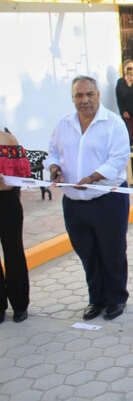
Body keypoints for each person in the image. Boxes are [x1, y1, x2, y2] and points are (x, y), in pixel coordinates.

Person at [45, 76, 131, 321]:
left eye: (89, 94)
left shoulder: (113, 123)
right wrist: (53, 168)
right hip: (73, 201)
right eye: (79, 96)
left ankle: (116, 299)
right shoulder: (63, 124)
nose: (84, 100)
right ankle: (96, 299)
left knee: (112, 252)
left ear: (98, 95)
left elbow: (118, 158)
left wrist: (93, 178)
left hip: (107, 200)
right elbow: (52, 152)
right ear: (73, 98)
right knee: (87, 253)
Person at [0, 130, 31, 323]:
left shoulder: (7, 139)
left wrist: (7, 184)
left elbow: (22, 174)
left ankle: (20, 304)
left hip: (7, 203)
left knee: (13, 252)